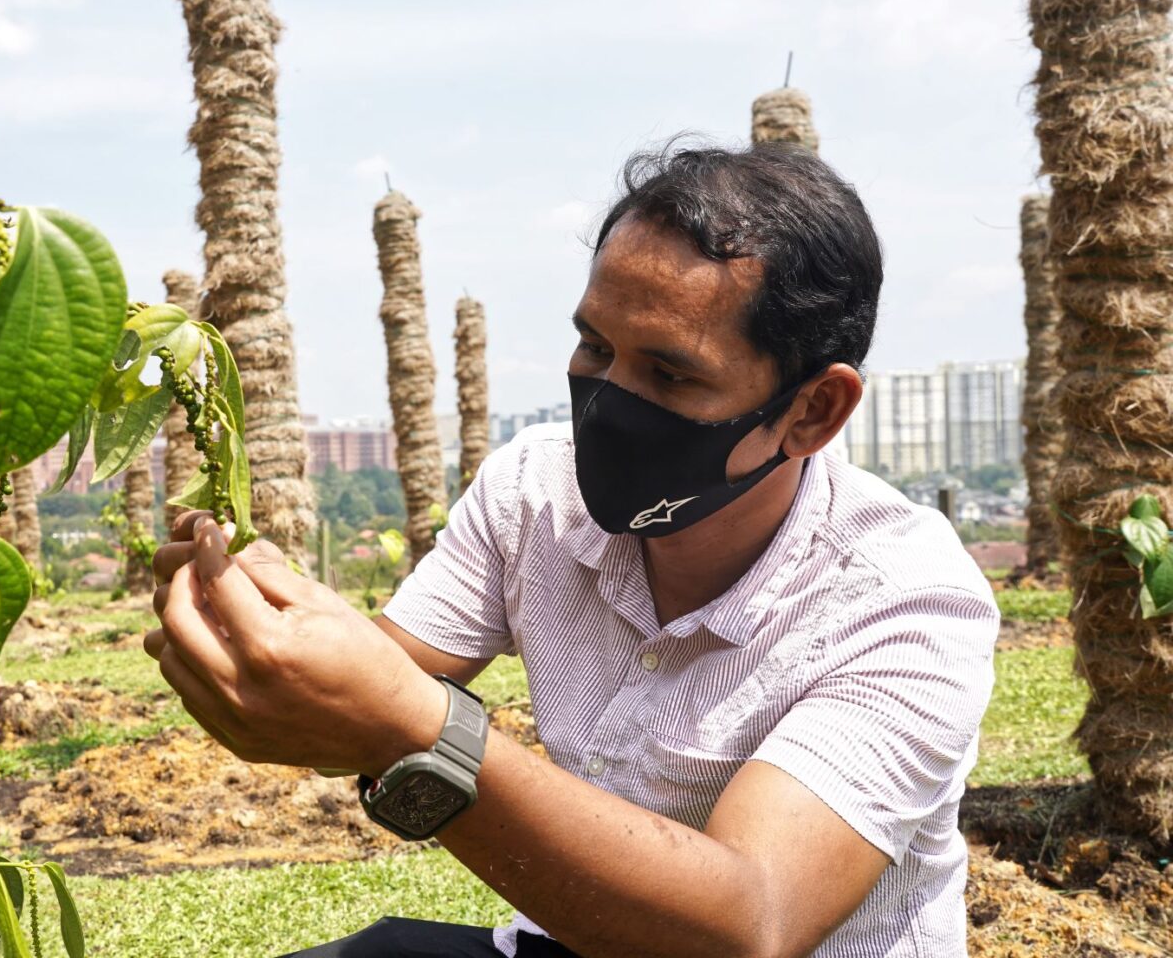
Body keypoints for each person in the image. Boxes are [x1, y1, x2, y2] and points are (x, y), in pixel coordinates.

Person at [143, 138, 999, 958]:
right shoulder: (534, 493)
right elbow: (375, 680)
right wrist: (261, 630)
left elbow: (750, 926)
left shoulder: (907, 603)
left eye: (670, 375)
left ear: (812, 411)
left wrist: (416, 730)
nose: (607, 402)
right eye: (595, 345)